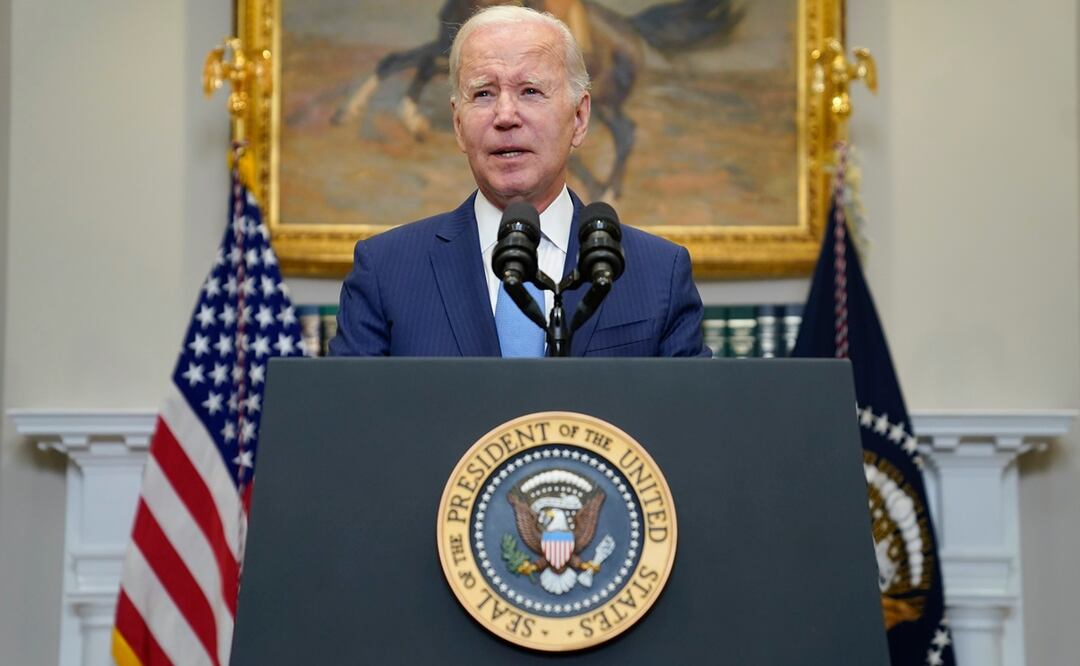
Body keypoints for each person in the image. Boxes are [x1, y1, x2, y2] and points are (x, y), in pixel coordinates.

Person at [329, 5, 709, 358]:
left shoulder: (660, 273)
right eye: (483, 93)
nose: (505, 116)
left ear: (579, 118)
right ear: (458, 125)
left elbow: (689, 407)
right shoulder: (385, 271)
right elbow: (349, 408)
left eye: (530, 91)